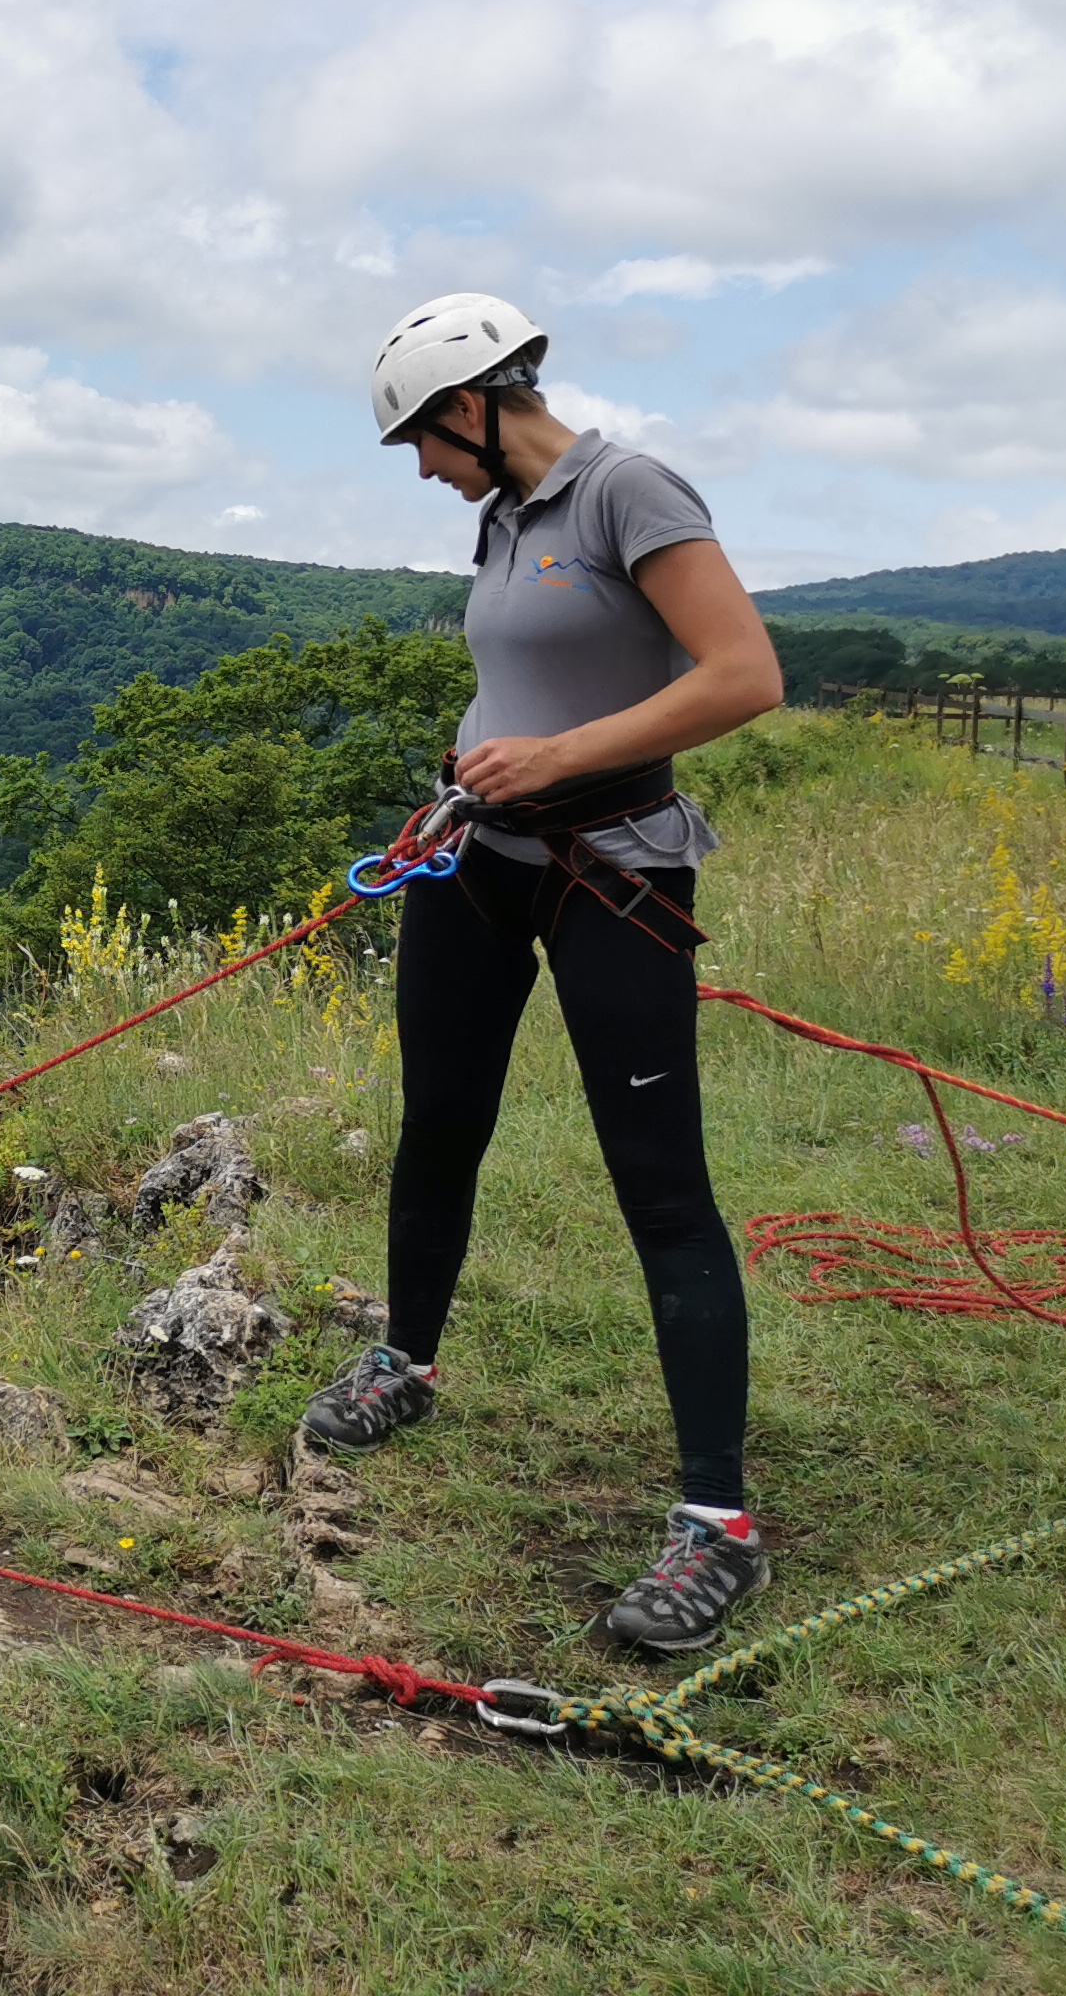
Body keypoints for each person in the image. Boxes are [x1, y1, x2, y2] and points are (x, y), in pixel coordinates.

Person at [300, 292, 787, 1655]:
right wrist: (462, 782)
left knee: (661, 1183)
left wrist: (557, 765)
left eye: (420, 440)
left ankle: (717, 1527)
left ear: (472, 407)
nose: (419, 468)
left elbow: (745, 674)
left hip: (615, 866)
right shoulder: (505, 519)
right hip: (481, 855)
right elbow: (516, 682)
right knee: (441, 1117)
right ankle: (408, 1359)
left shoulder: (627, 490)